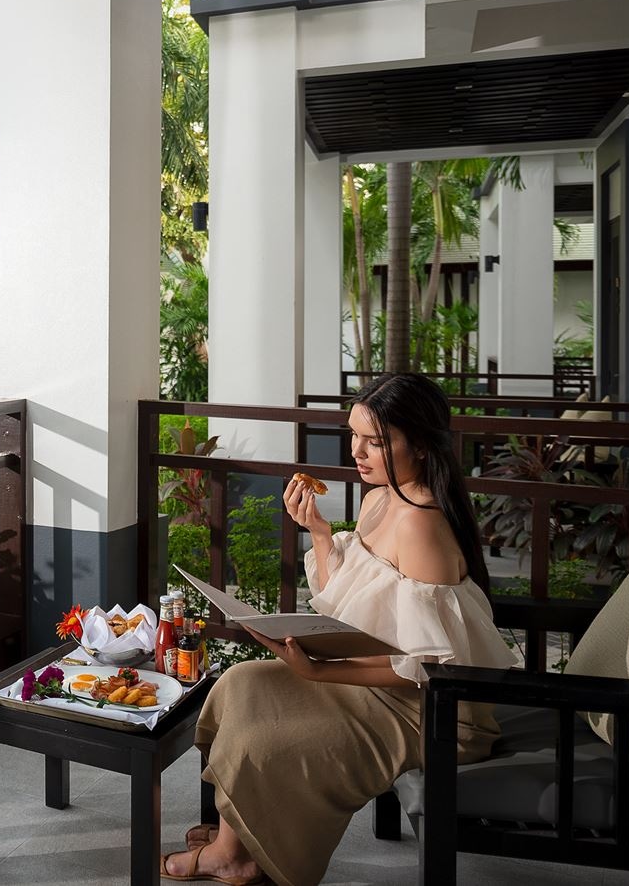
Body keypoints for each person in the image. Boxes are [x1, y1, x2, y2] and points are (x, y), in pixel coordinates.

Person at [162, 373, 517, 886]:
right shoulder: (378, 498)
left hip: (429, 710)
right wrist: (319, 533)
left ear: (419, 444)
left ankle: (232, 855)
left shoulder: (421, 523)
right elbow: (345, 603)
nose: (358, 451)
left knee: (266, 739)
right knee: (241, 684)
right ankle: (239, 834)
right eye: (353, 435)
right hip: (378, 679)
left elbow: (430, 668)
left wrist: (322, 672)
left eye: (375, 441)